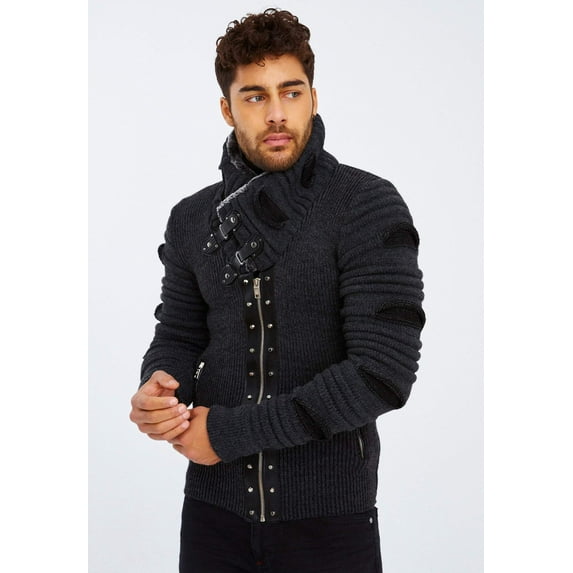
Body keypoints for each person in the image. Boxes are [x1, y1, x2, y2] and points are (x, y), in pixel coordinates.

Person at [129, 8, 425, 573]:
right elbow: (180, 333)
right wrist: (159, 387)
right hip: (212, 519)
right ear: (227, 108)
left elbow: (381, 373)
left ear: (314, 97)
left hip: (329, 525)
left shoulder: (365, 205)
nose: (277, 113)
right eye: (255, 96)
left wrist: (228, 434)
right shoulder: (192, 218)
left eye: (291, 92)